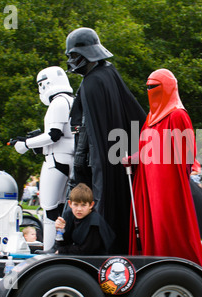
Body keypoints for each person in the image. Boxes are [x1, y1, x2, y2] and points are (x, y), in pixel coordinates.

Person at [65, 27, 147, 254]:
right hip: (107, 158)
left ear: (86, 54)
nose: (71, 61)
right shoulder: (108, 74)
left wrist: (81, 165)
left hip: (98, 161)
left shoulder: (93, 82)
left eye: (73, 55)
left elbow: (89, 131)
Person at [125, 69, 202, 275]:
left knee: (168, 228)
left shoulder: (178, 115)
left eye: (154, 86)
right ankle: (151, 271)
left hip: (168, 186)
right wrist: (134, 159)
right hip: (147, 183)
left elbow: (188, 153)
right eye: (148, 87)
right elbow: (149, 149)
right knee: (151, 228)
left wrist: (183, 178)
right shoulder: (150, 117)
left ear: (168, 87)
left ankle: (181, 274)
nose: (150, 91)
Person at [13, 66, 75, 251]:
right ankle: (59, 247)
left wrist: (26, 143)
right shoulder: (72, 101)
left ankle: (50, 249)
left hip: (56, 161)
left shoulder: (59, 102)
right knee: (62, 210)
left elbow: (53, 135)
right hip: (67, 159)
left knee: (49, 210)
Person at [54, 183, 115, 255]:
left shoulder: (95, 223)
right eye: (76, 204)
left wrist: (62, 251)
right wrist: (60, 230)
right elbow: (63, 243)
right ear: (70, 204)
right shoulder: (69, 214)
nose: (79, 209)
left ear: (91, 205)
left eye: (83, 205)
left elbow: (86, 250)